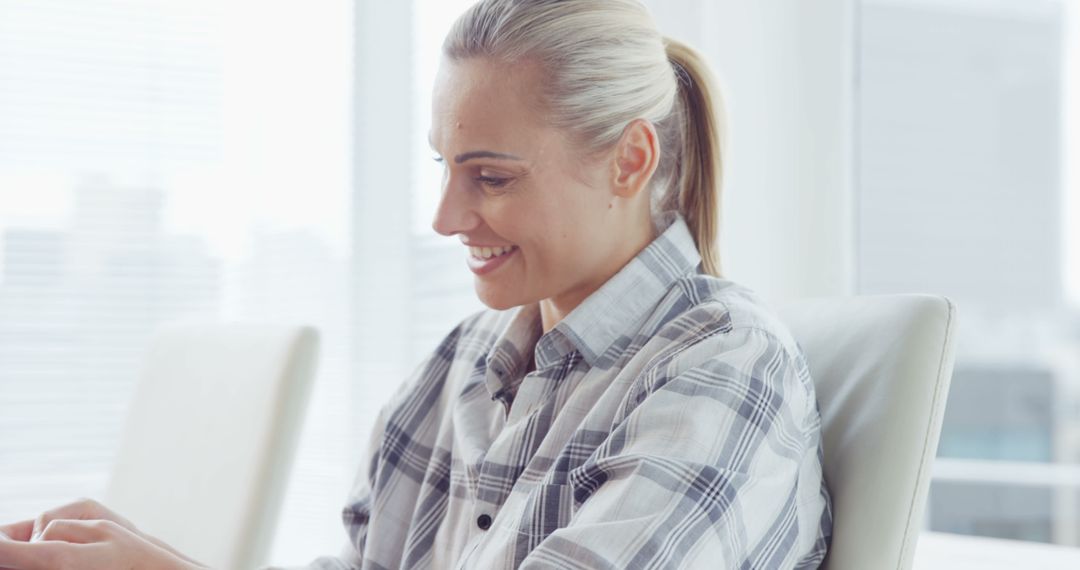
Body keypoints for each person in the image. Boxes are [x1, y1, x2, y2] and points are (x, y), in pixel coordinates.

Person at [0, 0, 833, 568]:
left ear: (628, 159)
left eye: (492, 178)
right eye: (443, 165)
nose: (443, 217)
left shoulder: (727, 368)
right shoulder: (464, 361)